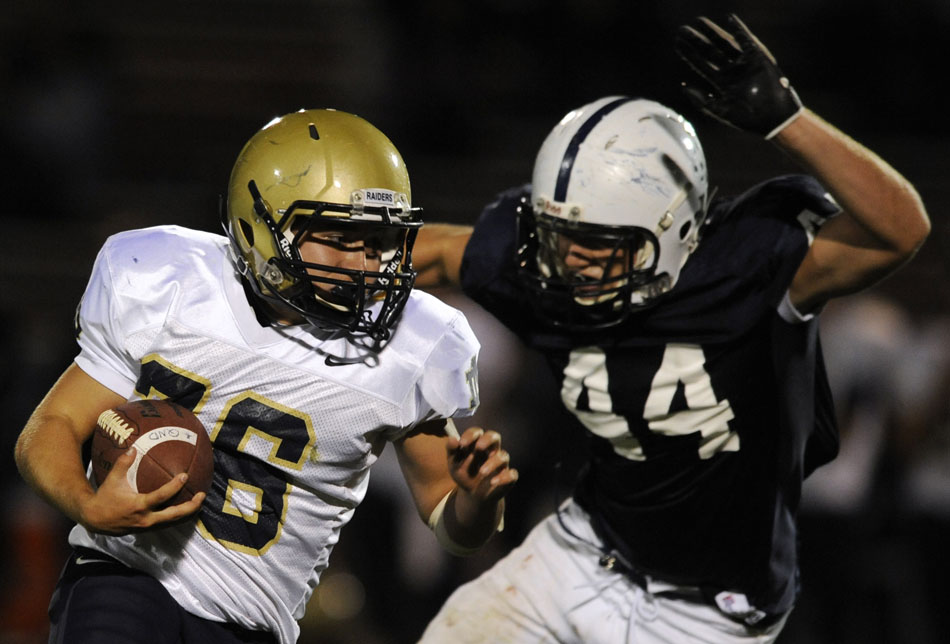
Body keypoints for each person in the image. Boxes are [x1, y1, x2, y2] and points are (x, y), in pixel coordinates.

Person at [412, 14, 929, 644]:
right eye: (561, 237)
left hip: (711, 612)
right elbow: (432, 249)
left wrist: (788, 121)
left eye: (598, 244)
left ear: (672, 230)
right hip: (583, 552)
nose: (572, 262)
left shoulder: (744, 269)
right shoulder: (539, 271)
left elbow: (900, 229)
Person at [13, 108, 518, 644]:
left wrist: (477, 502)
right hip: (126, 581)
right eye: (340, 237)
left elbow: (452, 522)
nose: (365, 265)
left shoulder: (411, 345)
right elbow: (50, 429)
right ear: (263, 227)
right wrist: (90, 506)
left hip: (253, 624)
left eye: (377, 241)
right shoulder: (170, 282)